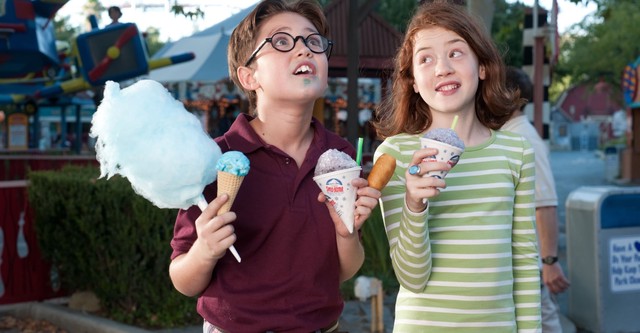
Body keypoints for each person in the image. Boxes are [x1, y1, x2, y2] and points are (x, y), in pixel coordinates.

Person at [168, 0, 381, 331]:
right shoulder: (216, 160)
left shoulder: (338, 156)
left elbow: (344, 270)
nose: (304, 50)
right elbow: (183, 280)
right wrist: (204, 251)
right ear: (249, 76)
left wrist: (346, 233)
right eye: (281, 41)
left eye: (314, 41)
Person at [372, 2, 541, 332]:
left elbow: (523, 258)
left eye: (456, 53)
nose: (442, 68)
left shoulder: (516, 151)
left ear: (482, 67)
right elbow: (412, 277)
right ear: (414, 83)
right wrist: (414, 204)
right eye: (426, 59)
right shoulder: (395, 154)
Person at [504, 66, 571, 332]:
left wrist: (550, 262)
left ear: (511, 95)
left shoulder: (524, 138)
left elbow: (545, 204)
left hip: (528, 264)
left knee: (543, 322)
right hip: (515, 263)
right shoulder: (509, 135)